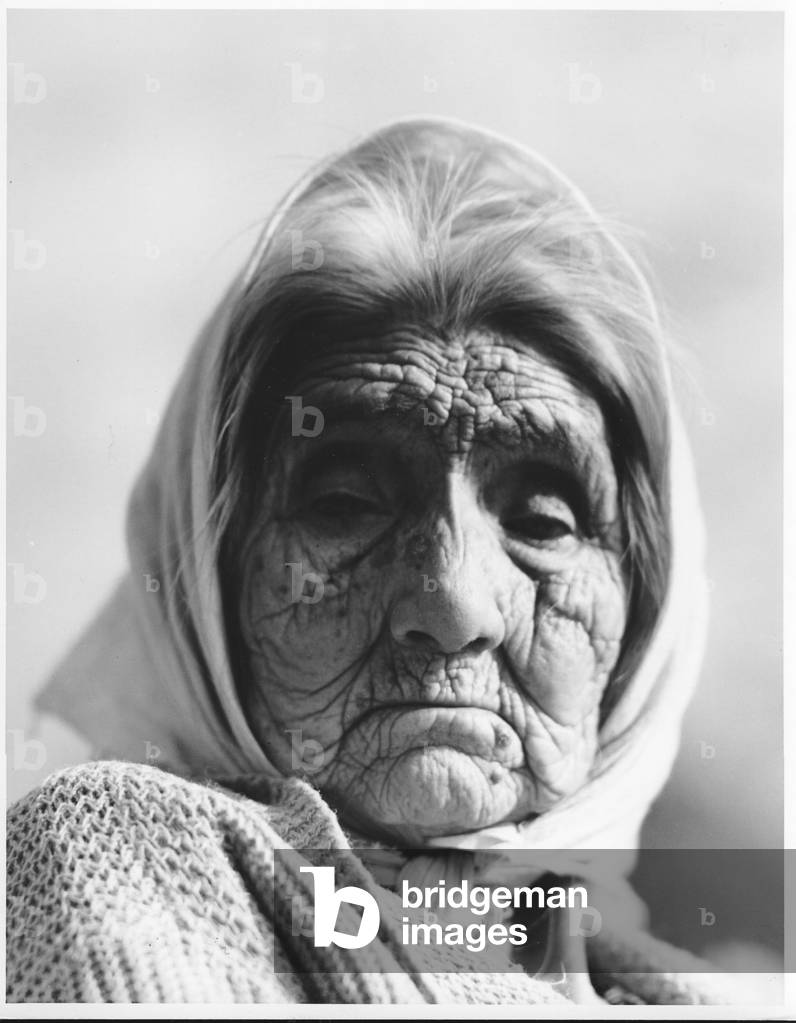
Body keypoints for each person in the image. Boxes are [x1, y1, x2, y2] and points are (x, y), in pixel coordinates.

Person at [7, 117, 721, 1004]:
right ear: (208, 584)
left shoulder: (671, 988)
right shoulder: (124, 852)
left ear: (646, 616)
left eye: (542, 519)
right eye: (344, 504)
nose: (455, 603)